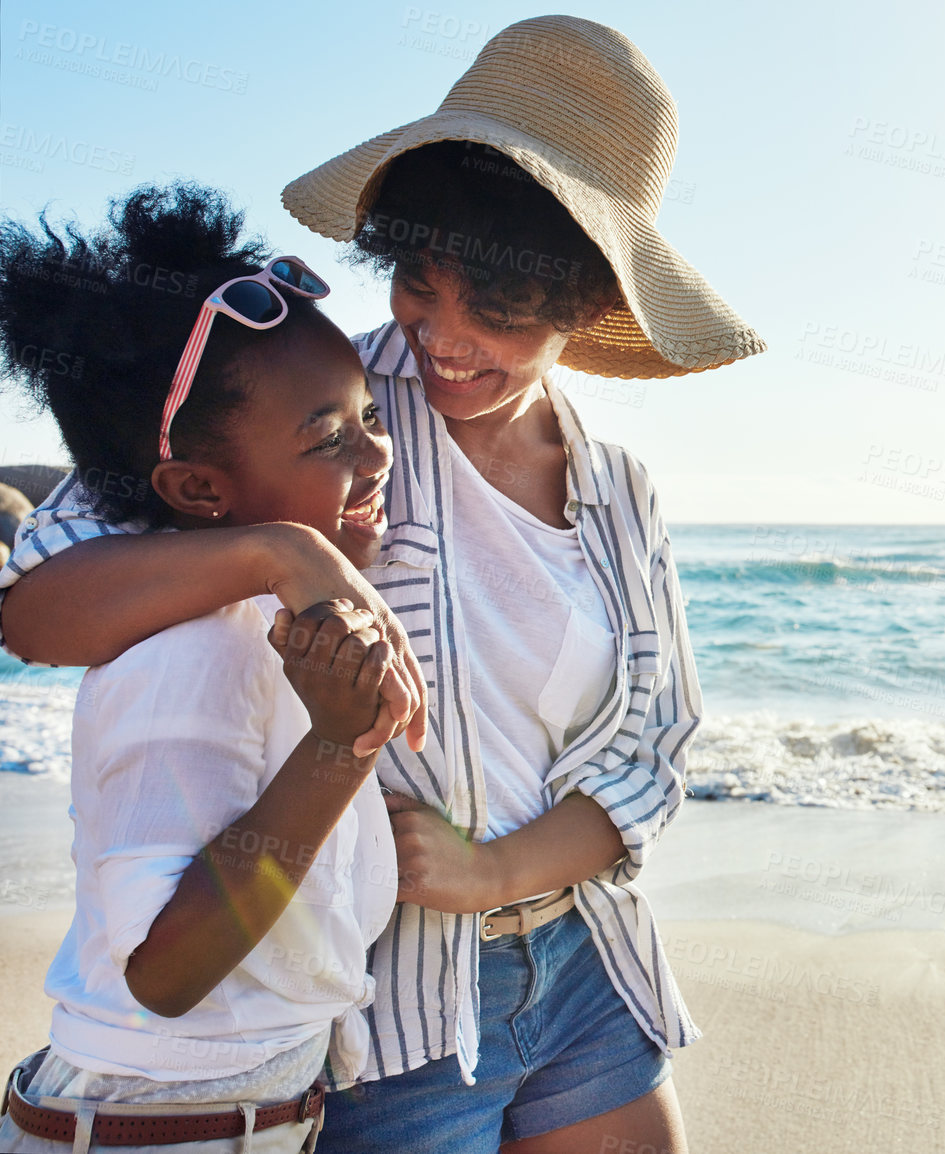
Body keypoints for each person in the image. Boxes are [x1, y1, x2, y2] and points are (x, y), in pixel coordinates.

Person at [0, 16, 766, 1153]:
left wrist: (496, 865)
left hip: (586, 964)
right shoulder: (316, 409)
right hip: (392, 1005)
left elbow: (654, 744)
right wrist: (281, 552)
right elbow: (40, 598)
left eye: (498, 311)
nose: (444, 339)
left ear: (586, 301)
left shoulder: (619, 490)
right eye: (419, 283)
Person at [0, 184, 397, 1152]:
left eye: (370, 414)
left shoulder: (260, 618)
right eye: (330, 436)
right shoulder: (185, 651)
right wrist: (341, 749)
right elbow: (164, 971)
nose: (380, 451)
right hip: (155, 1122)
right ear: (199, 490)